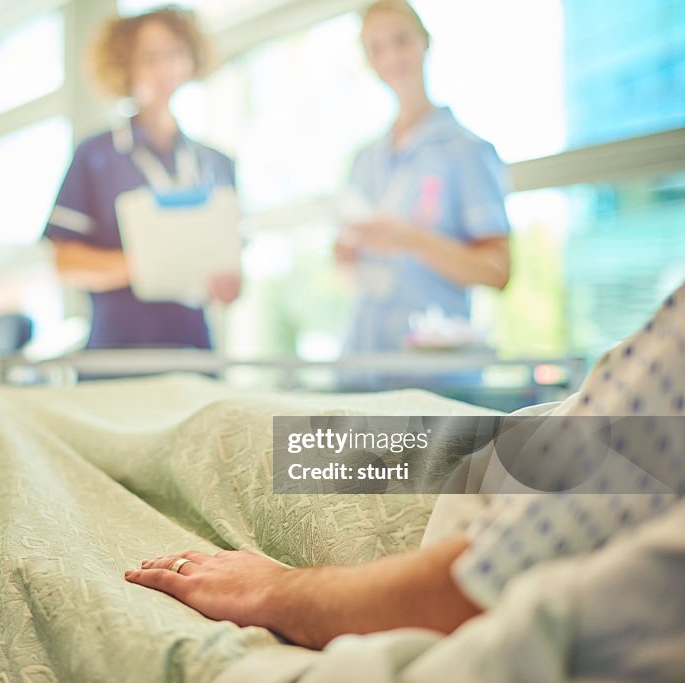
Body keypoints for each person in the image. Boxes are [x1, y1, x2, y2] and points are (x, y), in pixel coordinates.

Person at [126, 281, 685, 679]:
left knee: (228, 429)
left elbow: (467, 588)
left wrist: (271, 589)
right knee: (259, 428)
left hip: (488, 470)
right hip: (486, 439)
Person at [43, 6, 240, 350]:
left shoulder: (216, 163)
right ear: (126, 65)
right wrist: (146, 265)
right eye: (149, 56)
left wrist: (228, 285)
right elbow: (64, 262)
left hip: (194, 351)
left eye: (175, 53)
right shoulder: (97, 155)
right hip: (118, 349)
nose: (164, 67)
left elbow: (232, 269)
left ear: (191, 59)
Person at [337, 0, 511, 354]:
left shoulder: (465, 151)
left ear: (424, 41)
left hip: (431, 365)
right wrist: (344, 252)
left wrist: (410, 240)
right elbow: (346, 263)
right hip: (362, 359)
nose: (391, 57)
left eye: (401, 40)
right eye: (377, 48)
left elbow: (498, 271)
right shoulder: (364, 160)